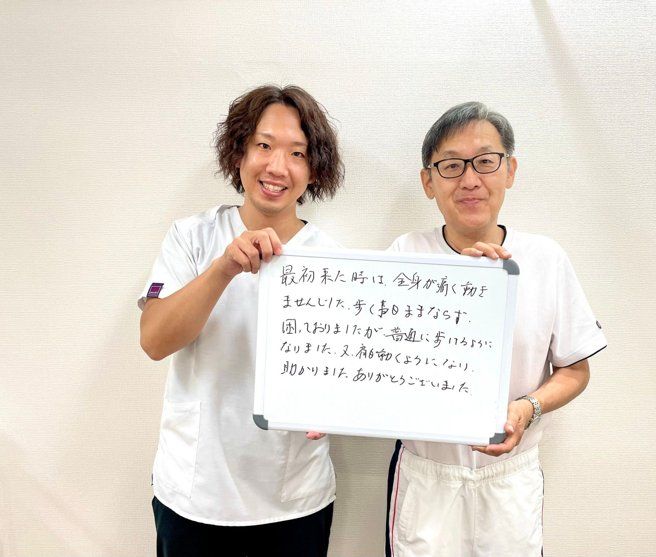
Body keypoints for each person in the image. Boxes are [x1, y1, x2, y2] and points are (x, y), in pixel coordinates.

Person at [385, 102, 607, 557]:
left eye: (485, 161)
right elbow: (376, 361)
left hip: (510, 481)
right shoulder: (405, 255)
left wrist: (527, 408)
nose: (470, 180)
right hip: (427, 476)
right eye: (451, 166)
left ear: (510, 170)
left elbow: (575, 370)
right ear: (428, 181)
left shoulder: (545, 259)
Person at [138, 85, 344, 557]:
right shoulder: (192, 237)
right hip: (193, 492)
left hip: (294, 499)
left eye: (297, 153)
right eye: (263, 145)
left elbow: (345, 373)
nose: (277, 166)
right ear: (238, 153)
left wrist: (335, 404)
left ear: (314, 169)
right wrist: (224, 268)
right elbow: (154, 340)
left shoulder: (333, 261)